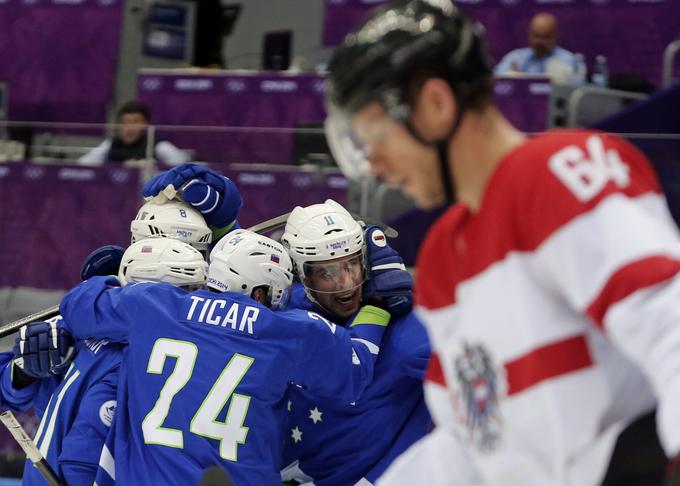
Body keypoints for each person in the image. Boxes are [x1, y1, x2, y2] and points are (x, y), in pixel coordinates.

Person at [324, 1, 680, 484]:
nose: (374, 165)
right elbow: (470, 446)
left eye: (373, 135)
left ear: (435, 104)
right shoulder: (445, 256)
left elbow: (670, 322)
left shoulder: (559, 174)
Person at [58, 229, 394, 486]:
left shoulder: (152, 303)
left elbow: (76, 306)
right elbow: (356, 368)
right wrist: (378, 307)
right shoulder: (290, 330)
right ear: (261, 292)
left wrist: (113, 276)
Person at [0, 238, 208, 486]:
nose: (193, 303)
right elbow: (82, 459)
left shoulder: (196, 348)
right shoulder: (74, 331)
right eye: (185, 292)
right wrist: (23, 369)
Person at [280, 199, 431, 485]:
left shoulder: (407, 335)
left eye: (352, 265)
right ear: (300, 273)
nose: (344, 283)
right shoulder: (287, 306)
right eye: (326, 272)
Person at [78, 100, 189, 167]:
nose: (129, 128)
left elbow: (183, 164)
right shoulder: (110, 144)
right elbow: (83, 164)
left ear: (146, 124)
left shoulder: (158, 145)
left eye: (135, 122)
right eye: (125, 123)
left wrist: (152, 167)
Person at [494, 12, 576, 79]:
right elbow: (497, 80)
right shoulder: (515, 57)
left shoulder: (566, 60)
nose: (540, 41)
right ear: (529, 35)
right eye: (536, 35)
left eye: (546, 36)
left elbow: (574, 88)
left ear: (556, 37)